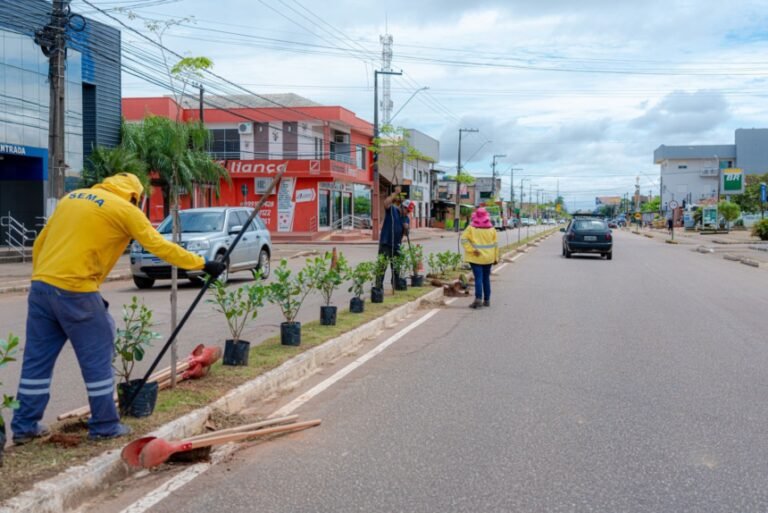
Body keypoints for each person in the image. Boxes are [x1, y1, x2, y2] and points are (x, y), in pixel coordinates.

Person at [11, 173, 226, 444]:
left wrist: (44, 277)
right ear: (135, 196)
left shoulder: (71, 199)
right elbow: (158, 245)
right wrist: (202, 264)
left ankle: (24, 426)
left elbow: (40, 242)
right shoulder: (125, 209)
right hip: (77, 290)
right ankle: (104, 424)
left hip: (41, 288)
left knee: (36, 362)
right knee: (98, 359)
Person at [461, 207, 499, 309]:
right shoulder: (492, 229)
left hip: (476, 257)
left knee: (478, 278)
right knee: (486, 278)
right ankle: (487, 300)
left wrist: (472, 250)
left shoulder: (471, 228)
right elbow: (495, 244)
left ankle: (478, 299)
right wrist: (496, 258)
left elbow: (463, 239)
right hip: (489, 258)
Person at [375, 186, 410, 289]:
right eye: (407, 210)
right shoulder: (392, 210)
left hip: (396, 245)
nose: (407, 213)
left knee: (396, 267)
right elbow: (385, 203)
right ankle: (378, 286)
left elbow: (406, 235)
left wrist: (406, 229)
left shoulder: (406, 218)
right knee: (382, 266)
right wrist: (395, 193)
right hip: (386, 243)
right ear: (402, 207)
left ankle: (395, 284)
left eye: (409, 212)